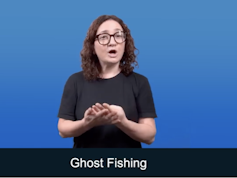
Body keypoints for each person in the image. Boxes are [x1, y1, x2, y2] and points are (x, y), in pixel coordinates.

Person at [57, 15, 157, 148]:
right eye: (104, 37)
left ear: (125, 43)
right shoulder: (75, 81)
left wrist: (121, 121)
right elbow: (63, 130)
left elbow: (149, 136)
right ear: (92, 46)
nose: (112, 42)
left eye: (118, 35)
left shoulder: (140, 82)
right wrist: (87, 123)